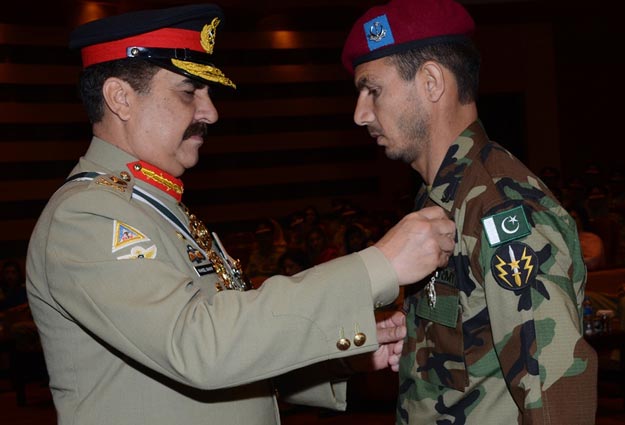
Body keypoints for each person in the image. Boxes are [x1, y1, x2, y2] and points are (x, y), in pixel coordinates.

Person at [25, 4, 456, 425]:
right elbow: (199, 347)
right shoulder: (87, 216)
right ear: (120, 97)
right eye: (189, 91)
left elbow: (230, 353)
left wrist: (342, 359)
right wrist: (375, 266)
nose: (210, 112)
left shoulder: (158, 209)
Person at [341, 0, 597, 423]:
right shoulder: (440, 198)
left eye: (373, 90)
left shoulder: (502, 209)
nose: (360, 114)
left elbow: (556, 395)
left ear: (430, 82)